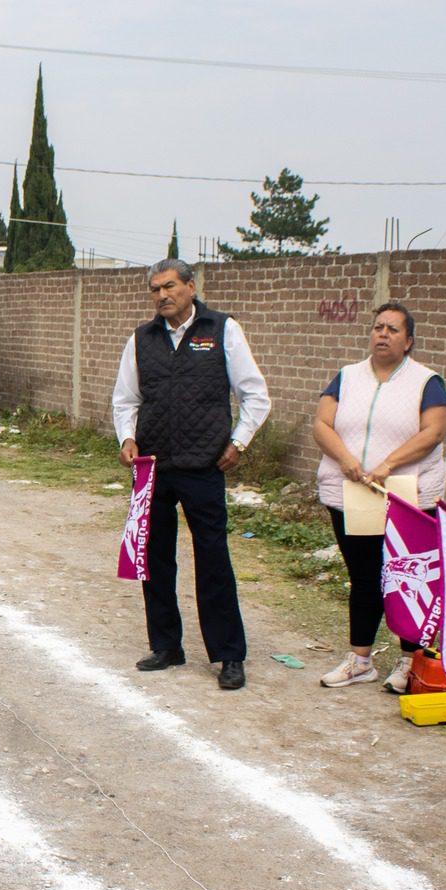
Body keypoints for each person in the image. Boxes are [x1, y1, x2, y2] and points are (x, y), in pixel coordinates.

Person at [112, 258, 271, 689]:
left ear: (190, 286)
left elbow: (255, 395)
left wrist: (238, 443)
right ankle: (166, 645)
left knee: (213, 559)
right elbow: (125, 399)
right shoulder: (141, 339)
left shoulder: (222, 330)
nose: (162, 296)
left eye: (170, 287)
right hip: (154, 469)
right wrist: (127, 438)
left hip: (204, 467)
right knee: (156, 558)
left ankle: (228, 655)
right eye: (155, 290)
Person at [311, 303, 446, 692]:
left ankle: (412, 662)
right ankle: (360, 659)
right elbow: (323, 423)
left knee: (408, 578)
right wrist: (345, 460)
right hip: (354, 493)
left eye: (393, 329)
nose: (383, 334)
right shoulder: (347, 377)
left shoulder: (427, 382)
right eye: (378, 327)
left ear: (408, 341)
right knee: (364, 576)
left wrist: (388, 464)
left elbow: (433, 432)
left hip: (408, 497)